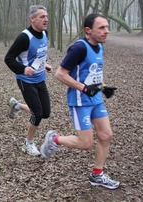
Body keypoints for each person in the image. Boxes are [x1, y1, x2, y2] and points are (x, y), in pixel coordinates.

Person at [40, 13, 119, 190]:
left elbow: (91, 73)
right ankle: (55, 139)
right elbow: (60, 74)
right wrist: (84, 88)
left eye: (107, 27)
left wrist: (103, 87)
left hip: (96, 99)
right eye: (101, 28)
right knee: (86, 143)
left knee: (106, 135)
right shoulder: (79, 48)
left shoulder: (99, 47)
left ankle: (97, 175)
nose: (106, 31)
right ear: (88, 30)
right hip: (80, 101)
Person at [5, 5, 53, 156]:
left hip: (40, 78)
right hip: (25, 80)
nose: (46, 19)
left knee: (45, 112)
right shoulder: (24, 37)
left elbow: (38, 54)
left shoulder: (45, 33)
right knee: (37, 114)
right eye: (42, 17)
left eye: (46, 16)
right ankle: (28, 144)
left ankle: (17, 105)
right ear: (32, 19)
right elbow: (8, 59)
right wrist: (23, 69)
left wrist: (44, 64)